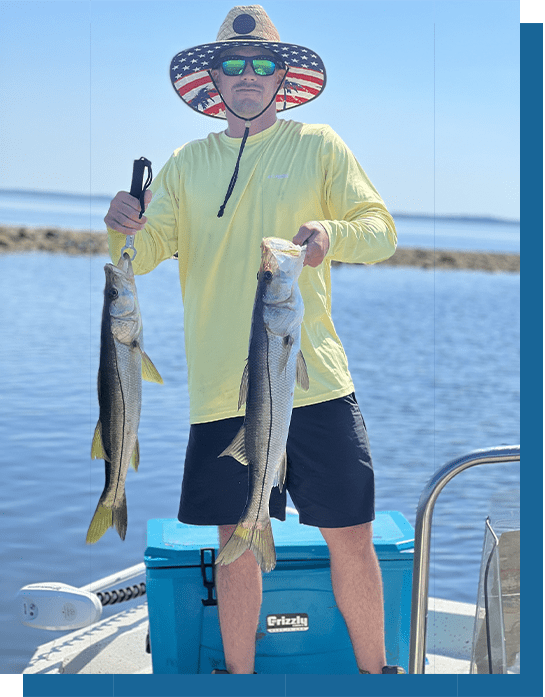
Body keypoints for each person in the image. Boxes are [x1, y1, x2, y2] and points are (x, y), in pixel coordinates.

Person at [105, 5, 402, 675]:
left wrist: (332, 234)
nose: (246, 75)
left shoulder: (318, 144)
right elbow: (144, 251)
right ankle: (238, 679)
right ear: (214, 79)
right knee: (237, 540)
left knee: (350, 538)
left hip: (315, 380)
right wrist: (124, 223)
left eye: (260, 64)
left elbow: (380, 228)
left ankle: (377, 676)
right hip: (221, 388)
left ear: (280, 76)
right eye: (233, 65)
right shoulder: (184, 164)